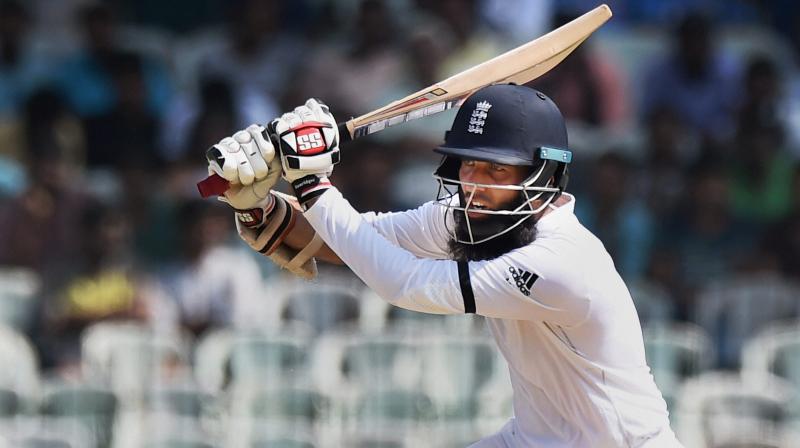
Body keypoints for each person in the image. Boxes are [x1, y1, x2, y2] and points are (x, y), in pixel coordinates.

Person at [205, 84, 681, 447]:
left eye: (496, 170)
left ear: (546, 177)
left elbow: (406, 284)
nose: (474, 184)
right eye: (468, 165)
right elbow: (357, 242)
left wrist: (312, 183)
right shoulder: (473, 216)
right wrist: (259, 205)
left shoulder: (563, 262)